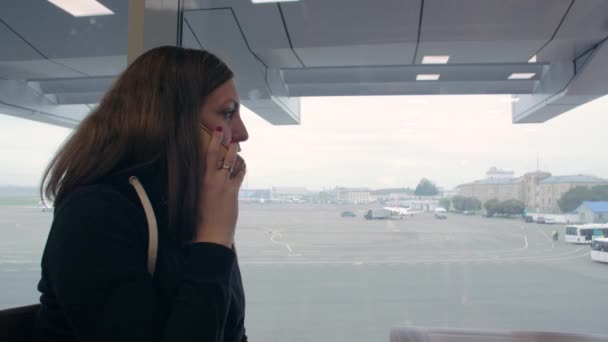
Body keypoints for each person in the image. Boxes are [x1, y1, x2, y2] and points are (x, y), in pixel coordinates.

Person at [33, 46, 249, 342]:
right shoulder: (94, 215)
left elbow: (231, 333)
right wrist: (214, 241)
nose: (242, 132)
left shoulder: (190, 209)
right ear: (175, 122)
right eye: (228, 113)